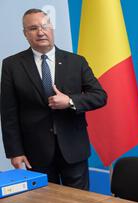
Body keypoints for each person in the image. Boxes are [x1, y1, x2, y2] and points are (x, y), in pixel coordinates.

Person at [1, 8, 107, 190]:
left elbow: (100, 96)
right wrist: (15, 152)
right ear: (25, 34)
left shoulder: (76, 62)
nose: (40, 32)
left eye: (44, 26)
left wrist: (70, 101)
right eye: (33, 28)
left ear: (52, 28)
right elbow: (8, 113)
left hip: (73, 149)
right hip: (36, 152)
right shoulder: (12, 65)